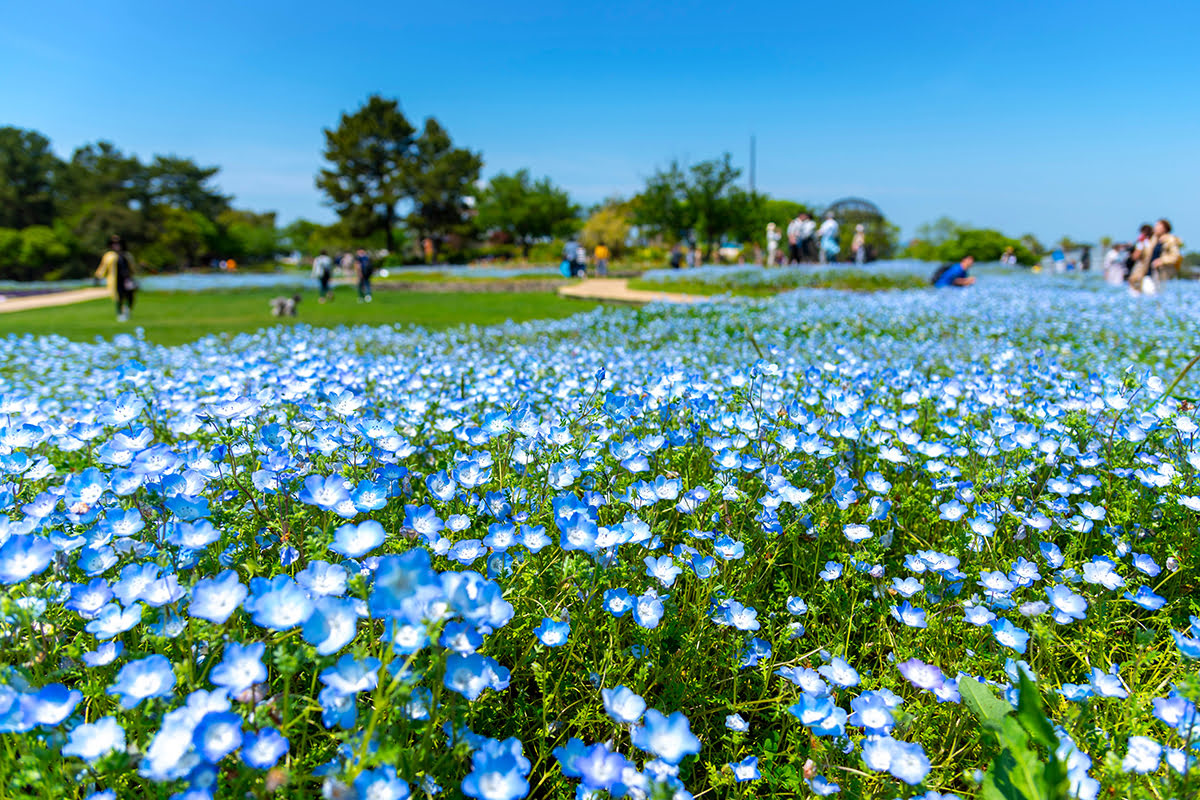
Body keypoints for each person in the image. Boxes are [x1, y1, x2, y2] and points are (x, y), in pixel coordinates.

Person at [1130, 218, 1183, 292]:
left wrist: (1162, 260)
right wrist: (1140, 244)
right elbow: (1141, 255)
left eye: (1158, 226)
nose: (1155, 228)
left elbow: (1175, 256)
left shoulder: (1171, 240)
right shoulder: (1153, 239)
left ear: (1165, 228)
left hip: (1161, 274)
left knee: (1155, 296)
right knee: (1147, 295)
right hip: (1148, 272)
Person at [95, 234, 137, 321]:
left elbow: (132, 267)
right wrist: (98, 276)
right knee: (119, 297)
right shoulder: (109, 255)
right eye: (114, 244)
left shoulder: (126, 255)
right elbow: (103, 267)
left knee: (130, 296)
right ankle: (120, 314)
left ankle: (127, 310)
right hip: (116, 280)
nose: (116, 246)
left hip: (127, 279)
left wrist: (133, 275)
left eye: (118, 244)